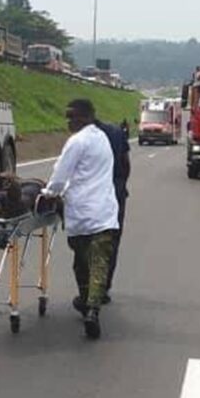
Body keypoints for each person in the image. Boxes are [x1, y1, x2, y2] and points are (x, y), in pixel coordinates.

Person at [43, 99, 119, 339]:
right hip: (105, 213)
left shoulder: (77, 141)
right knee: (99, 264)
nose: (68, 122)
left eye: (72, 117)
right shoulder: (102, 139)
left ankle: (87, 304)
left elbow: (59, 176)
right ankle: (92, 309)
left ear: (86, 117)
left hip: (82, 213)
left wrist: (48, 195)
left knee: (81, 263)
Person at [92, 105, 131, 304]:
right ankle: (103, 287)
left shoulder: (81, 139)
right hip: (115, 193)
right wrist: (121, 186)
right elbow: (126, 164)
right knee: (111, 241)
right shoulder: (117, 133)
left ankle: (89, 288)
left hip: (89, 196)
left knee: (86, 241)